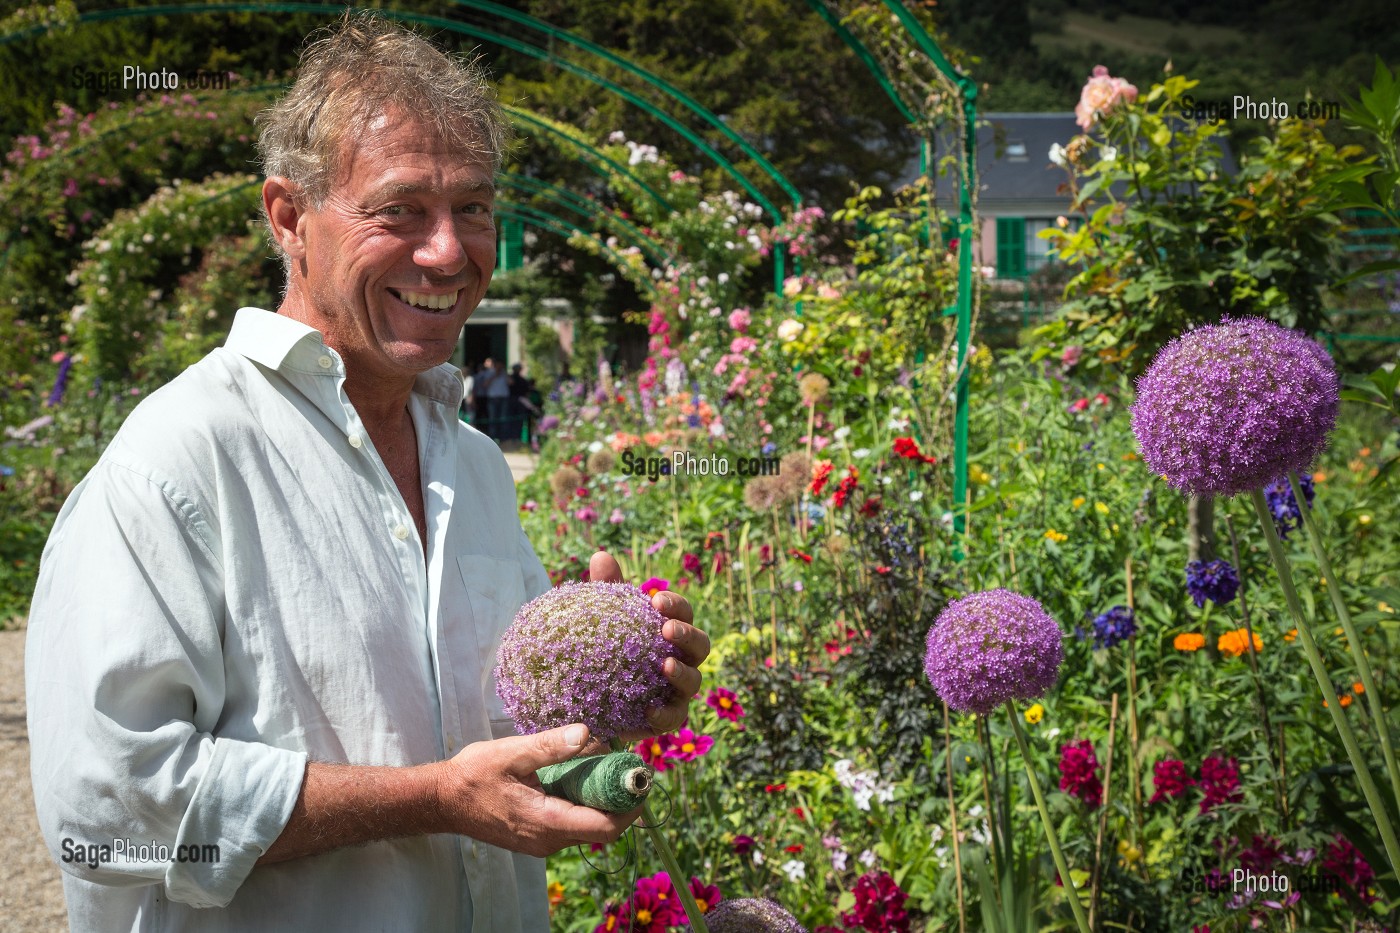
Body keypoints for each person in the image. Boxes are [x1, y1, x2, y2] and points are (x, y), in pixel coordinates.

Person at [25, 14, 709, 933]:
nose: (448, 251)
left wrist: (608, 688)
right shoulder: (176, 465)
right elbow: (104, 817)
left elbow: (490, 756)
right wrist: (429, 797)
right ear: (288, 218)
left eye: (472, 206)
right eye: (399, 210)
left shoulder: (473, 463)